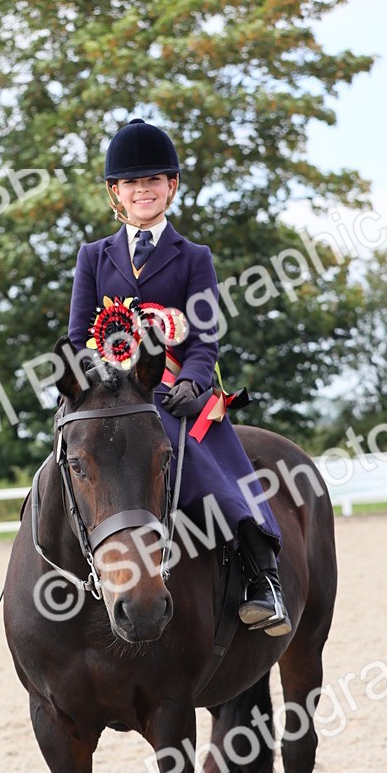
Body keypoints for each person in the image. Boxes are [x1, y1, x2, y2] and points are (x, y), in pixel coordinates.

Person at [68, 117, 290, 635]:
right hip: (109, 392)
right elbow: (79, 335)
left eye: (153, 181)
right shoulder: (92, 257)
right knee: (75, 457)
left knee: (216, 471)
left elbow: (204, 335)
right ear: (115, 194)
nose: (142, 190)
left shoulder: (194, 258)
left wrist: (191, 379)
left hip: (172, 394)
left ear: (170, 187)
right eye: (131, 183)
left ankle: (263, 574)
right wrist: (100, 381)